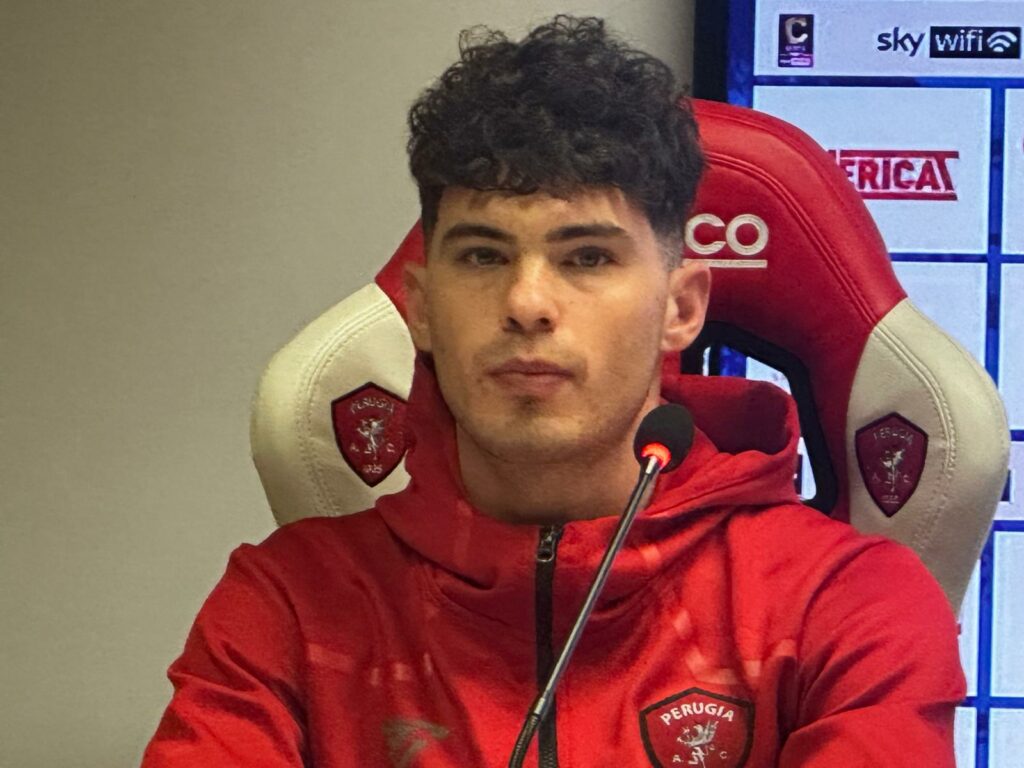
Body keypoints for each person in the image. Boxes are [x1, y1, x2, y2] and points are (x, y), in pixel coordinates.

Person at [142, 16, 964, 767]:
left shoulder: (851, 604)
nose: (527, 302)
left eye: (587, 258)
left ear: (680, 309)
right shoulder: (285, 608)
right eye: (483, 255)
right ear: (421, 309)